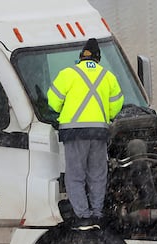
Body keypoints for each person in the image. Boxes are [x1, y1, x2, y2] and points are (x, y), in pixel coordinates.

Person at [47, 38, 124, 230]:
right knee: (97, 174)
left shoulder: (68, 74)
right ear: (98, 58)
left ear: (81, 56)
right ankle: (97, 214)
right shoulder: (108, 76)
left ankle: (82, 216)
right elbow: (116, 106)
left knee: (75, 175)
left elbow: (52, 102)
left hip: (74, 132)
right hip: (99, 132)